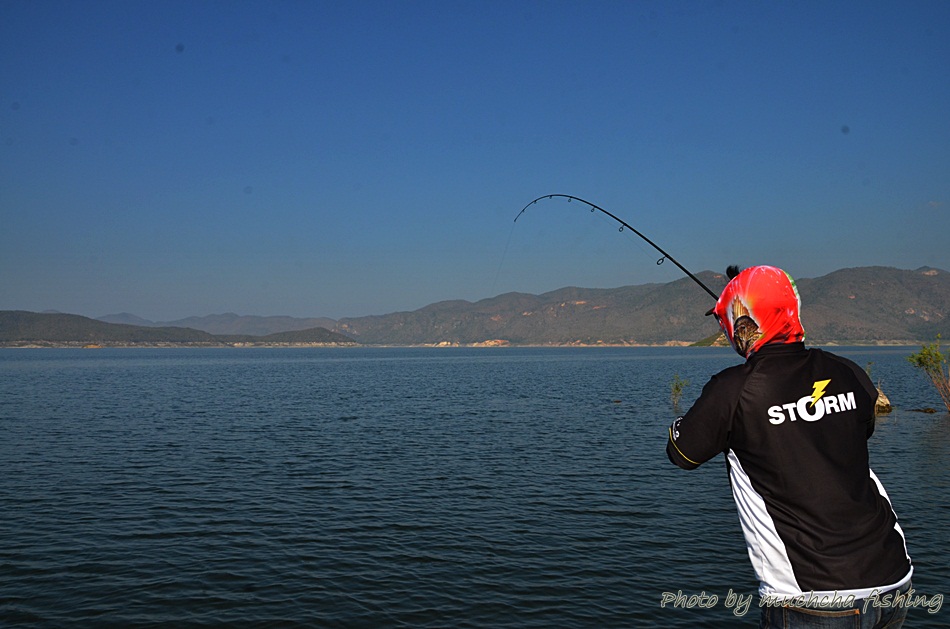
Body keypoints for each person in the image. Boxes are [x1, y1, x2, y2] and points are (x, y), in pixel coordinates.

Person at [666, 265, 913, 629]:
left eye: (727, 320)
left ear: (744, 322)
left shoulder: (733, 390)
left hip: (814, 599)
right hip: (894, 579)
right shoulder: (847, 371)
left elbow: (682, 453)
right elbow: (860, 432)